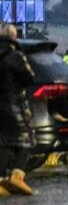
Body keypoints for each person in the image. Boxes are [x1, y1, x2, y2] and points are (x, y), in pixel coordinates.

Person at [0, 24, 36, 196]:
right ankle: (17, 175)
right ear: (14, 37)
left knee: (4, 142)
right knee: (26, 140)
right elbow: (29, 78)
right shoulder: (15, 56)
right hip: (13, 104)